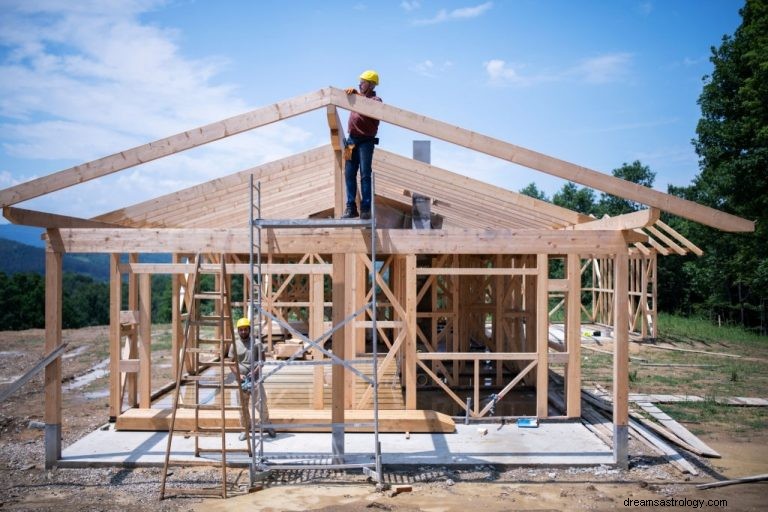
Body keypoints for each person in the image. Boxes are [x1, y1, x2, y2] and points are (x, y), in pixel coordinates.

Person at [341, 69, 382, 220]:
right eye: (360, 82)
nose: (359, 84)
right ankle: (351, 207)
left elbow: (370, 107)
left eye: (363, 82)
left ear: (371, 85)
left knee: (365, 174)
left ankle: (366, 209)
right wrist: (352, 96)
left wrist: (357, 97)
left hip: (366, 141)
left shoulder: (376, 100)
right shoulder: (356, 97)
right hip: (351, 140)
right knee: (348, 173)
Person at [233, 317, 276, 438]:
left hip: (256, 380)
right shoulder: (235, 344)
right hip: (241, 381)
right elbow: (230, 362)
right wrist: (238, 374)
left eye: (245, 329)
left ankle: (266, 425)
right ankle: (245, 429)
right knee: (242, 406)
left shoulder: (257, 343)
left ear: (249, 329)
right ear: (238, 331)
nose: (243, 332)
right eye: (241, 330)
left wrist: (255, 370)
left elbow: (262, 360)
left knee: (261, 404)